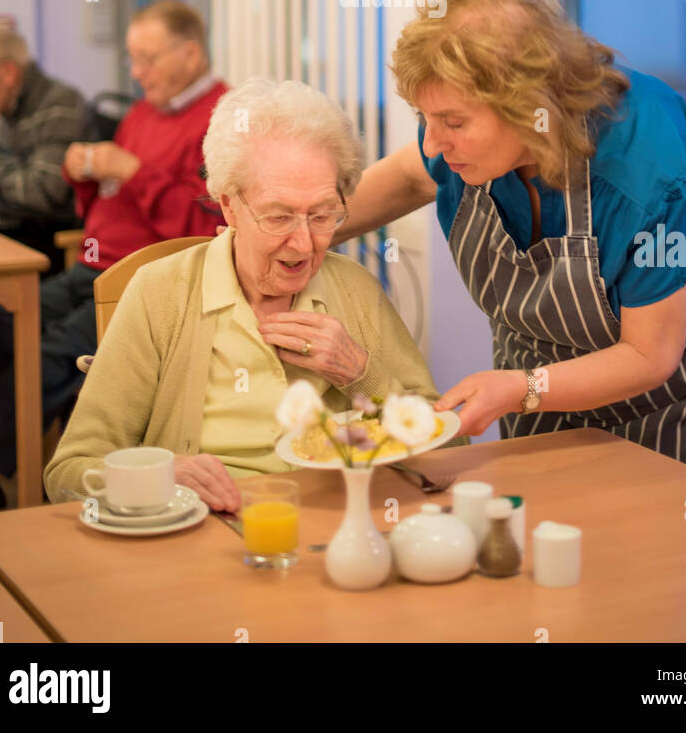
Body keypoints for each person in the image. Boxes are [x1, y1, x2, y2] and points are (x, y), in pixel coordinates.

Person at [333, 0, 686, 484]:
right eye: (424, 118)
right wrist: (301, 227)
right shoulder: (464, 143)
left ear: (529, 107)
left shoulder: (645, 165)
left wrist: (520, 388)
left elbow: (650, 354)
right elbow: (408, 177)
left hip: (664, 379)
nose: (432, 144)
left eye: (451, 122)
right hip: (532, 364)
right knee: (547, 515)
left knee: (659, 529)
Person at [45, 78, 449, 512]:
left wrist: (360, 374)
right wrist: (157, 475)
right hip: (201, 535)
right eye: (278, 217)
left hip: (339, 524)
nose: (304, 244)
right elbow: (68, 473)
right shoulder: (160, 293)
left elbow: (448, 444)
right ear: (229, 204)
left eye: (322, 215)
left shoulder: (354, 290)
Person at [0, 0, 227, 516]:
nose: (136, 72)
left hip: (145, 280)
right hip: (92, 264)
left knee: (48, 354)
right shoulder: (144, 112)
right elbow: (109, 200)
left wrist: (130, 170)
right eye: (133, 59)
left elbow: (209, 230)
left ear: (191, 54)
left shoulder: (220, 118)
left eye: (148, 59)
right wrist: (84, 176)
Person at [0, 20, 90, 258]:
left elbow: (43, 193)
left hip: (45, 239)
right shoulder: (6, 105)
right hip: (7, 227)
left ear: (7, 73)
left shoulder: (60, 104)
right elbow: (2, 178)